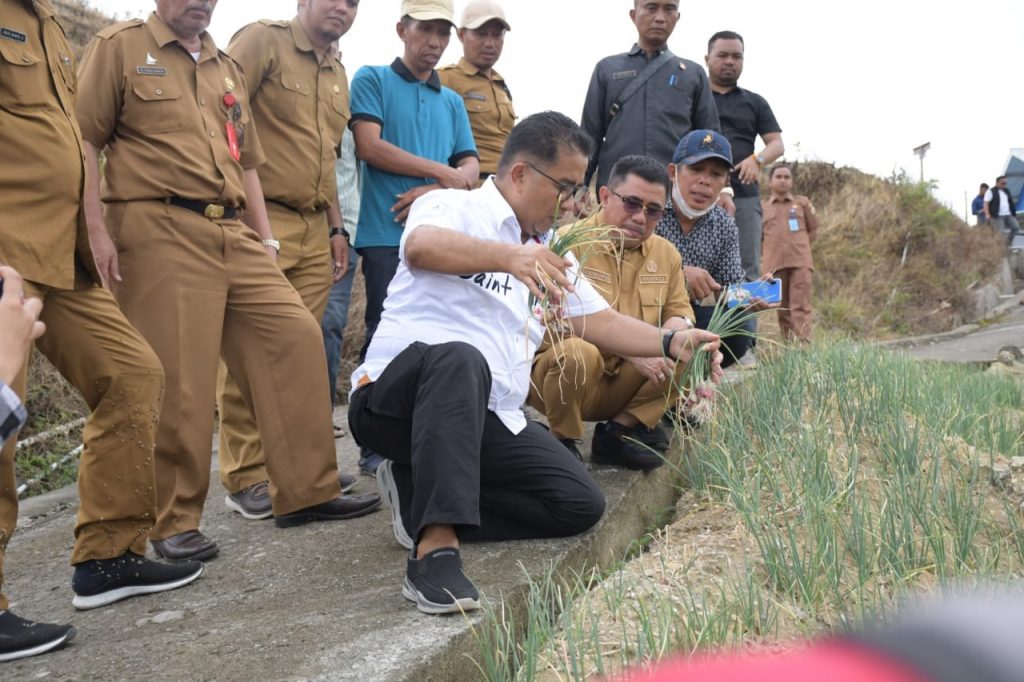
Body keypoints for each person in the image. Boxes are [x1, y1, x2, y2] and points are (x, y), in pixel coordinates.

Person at [347, 111, 723, 615]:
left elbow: (602, 322)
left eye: (577, 189)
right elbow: (420, 248)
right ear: (522, 174)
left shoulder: (546, 252)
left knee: (577, 504)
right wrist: (508, 257)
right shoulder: (452, 205)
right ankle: (434, 552)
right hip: (396, 405)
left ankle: (418, 496)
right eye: (565, 187)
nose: (571, 202)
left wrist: (671, 341)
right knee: (461, 357)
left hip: (484, 416)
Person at [76, 0, 381, 564]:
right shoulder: (120, 48)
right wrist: (92, 226)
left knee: (292, 336)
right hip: (155, 223)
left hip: (231, 226)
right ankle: (172, 521)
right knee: (181, 378)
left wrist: (264, 240)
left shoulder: (223, 64)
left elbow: (246, 162)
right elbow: (84, 140)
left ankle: (306, 490)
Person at [0, 0, 206, 659]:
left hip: (61, 253)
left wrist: (89, 230)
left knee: (132, 373)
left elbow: (69, 138)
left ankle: (109, 556)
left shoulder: (51, 25)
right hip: (7, 248)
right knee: (3, 412)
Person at [214, 0, 360, 521]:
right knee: (250, 353)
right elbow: (218, 118)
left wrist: (337, 227)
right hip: (259, 218)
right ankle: (247, 476)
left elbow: (328, 157)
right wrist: (244, 216)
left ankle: (300, 472)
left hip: (316, 225)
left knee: (301, 354)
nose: (342, 7)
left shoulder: (337, 70)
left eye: (353, 1)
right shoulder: (262, 41)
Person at [348, 0, 479, 475]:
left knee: (439, 331)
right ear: (402, 28)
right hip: (386, 232)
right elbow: (369, 146)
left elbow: (470, 166)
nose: (435, 42)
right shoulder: (371, 79)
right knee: (386, 332)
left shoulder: (452, 101)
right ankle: (372, 440)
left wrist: (432, 187)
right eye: (425, 29)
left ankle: (422, 433)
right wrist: (443, 174)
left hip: (443, 236)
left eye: (443, 32)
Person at [528, 155, 695, 471]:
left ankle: (618, 433)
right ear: (604, 196)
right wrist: (636, 349)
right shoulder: (566, 243)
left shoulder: (667, 253)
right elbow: (555, 321)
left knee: (688, 346)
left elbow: (680, 312)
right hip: (564, 380)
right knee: (578, 353)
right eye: (632, 203)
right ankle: (562, 441)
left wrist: (670, 337)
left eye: (654, 210)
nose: (641, 217)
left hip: (626, 386)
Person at [581, 0, 719, 190]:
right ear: (633, 15)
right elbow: (589, 136)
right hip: (616, 191)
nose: (660, 18)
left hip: (674, 194)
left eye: (669, 9)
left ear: (677, 17)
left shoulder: (693, 74)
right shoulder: (607, 68)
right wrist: (579, 187)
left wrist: (723, 190)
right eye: (651, 7)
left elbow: (709, 139)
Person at [655, 130, 753, 367]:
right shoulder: (649, 207)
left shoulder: (724, 225)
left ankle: (687, 381)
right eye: (696, 169)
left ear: (725, 182)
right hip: (636, 310)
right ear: (673, 172)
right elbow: (622, 267)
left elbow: (728, 290)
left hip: (686, 318)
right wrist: (677, 274)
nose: (704, 181)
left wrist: (751, 297)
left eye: (716, 174)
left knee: (739, 327)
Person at [705, 30, 784, 283]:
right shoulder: (693, 98)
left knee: (746, 269)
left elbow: (777, 144)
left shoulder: (755, 102)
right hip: (697, 192)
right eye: (723, 55)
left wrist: (756, 160)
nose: (730, 61)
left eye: (736, 56)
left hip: (745, 196)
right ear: (707, 59)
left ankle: (739, 324)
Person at [438, 0, 515, 181]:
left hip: (507, 184)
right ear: (461, 35)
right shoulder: (444, 79)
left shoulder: (501, 85)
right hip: (472, 185)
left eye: (497, 35)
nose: (490, 43)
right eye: (481, 34)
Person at [322, 129, 362, 413]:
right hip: (310, 223)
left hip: (349, 229)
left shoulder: (349, 113)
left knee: (331, 324)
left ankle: (320, 413)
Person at [761, 164, 819, 343]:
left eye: (787, 177)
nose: (783, 180)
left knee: (800, 307)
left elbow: (814, 230)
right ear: (770, 181)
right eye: (778, 176)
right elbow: (758, 238)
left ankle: (804, 350)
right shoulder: (762, 207)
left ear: (792, 181)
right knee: (782, 309)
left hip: (800, 262)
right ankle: (789, 350)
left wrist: (801, 249)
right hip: (775, 265)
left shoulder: (802, 204)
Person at [983, 176, 1020, 246]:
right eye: (1003, 183)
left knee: (1016, 227)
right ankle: (999, 247)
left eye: (1006, 183)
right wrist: (987, 214)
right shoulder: (991, 191)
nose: (1004, 184)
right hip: (997, 216)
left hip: (1008, 214)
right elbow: (986, 203)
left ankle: (1008, 243)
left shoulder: (1006, 190)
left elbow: (1010, 202)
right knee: (1000, 233)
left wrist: (1013, 212)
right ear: (997, 183)